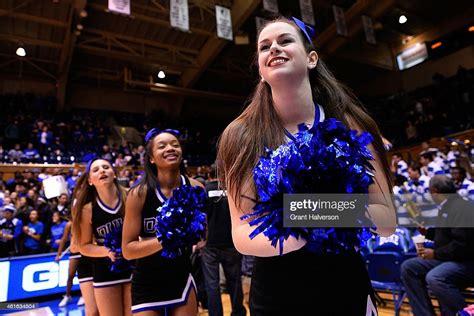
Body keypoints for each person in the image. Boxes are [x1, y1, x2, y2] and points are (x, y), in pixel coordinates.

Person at [217, 16, 396, 315]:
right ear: (261, 71)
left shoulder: (354, 124)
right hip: (277, 297)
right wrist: (324, 218)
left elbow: (387, 219)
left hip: (346, 288)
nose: (274, 48)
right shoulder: (241, 135)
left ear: (311, 58)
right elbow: (243, 234)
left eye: (285, 40)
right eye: (264, 47)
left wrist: (300, 211)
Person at [122, 129, 202, 315]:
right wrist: (167, 239)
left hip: (181, 278)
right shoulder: (139, 194)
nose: (170, 148)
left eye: (175, 145)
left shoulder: (196, 188)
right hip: (147, 282)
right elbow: (127, 249)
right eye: (162, 146)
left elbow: (202, 233)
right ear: (151, 158)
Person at [401, 175, 474, 316]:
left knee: (435, 277)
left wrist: (435, 254)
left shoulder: (462, 208)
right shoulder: (447, 206)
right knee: (409, 267)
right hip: (448, 259)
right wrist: (427, 233)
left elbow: (462, 245)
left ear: (435, 191)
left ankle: (463, 314)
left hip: (466, 263)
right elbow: (446, 235)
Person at [73, 159, 132, 316]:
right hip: (105, 268)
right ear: (90, 181)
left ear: (114, 173)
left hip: (134, 264)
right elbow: (84, 246)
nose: (102, 171)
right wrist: (107, 252)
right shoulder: (87, 209)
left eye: (106, 167)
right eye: (96, 169)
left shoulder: (131, 196)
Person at [201, 163, 246, 316]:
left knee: (212, 284)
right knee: (234, 281)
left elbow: (201, 218)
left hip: (209, 244)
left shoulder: (204, 191)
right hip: (231, 242)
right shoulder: (232, 191)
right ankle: (238, 312)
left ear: (209, 175)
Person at [56, 213, 98, 313]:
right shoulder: (69, 224)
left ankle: (83, 296)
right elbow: (64, 239)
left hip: (86, 251)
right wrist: (59, 253)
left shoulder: (87, 221)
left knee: (87, 276)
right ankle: (67, 295)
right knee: (70, 275)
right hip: (74, 251)